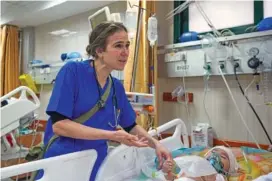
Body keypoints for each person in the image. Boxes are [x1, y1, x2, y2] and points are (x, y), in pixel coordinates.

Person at [35, 21, 172, 181]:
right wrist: (112, 135)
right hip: (64, 163)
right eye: (118, 46)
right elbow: (60, 125)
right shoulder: (73, 72)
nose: (125, 52)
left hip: (96, 164)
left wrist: (156, 145)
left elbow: (131, 126)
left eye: (127, 45)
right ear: (99, 50)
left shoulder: (116, 87)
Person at [158, 146, 239, 181]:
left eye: (223, 157)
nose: (216, 155)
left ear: (227, 170)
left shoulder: (219, 177)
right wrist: (167, 171)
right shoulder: (193, 165)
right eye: (213, 152)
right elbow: (173, 178)